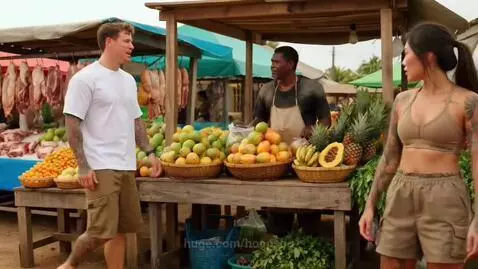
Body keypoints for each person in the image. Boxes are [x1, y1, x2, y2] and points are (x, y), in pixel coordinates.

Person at [359, 22, 478, 268]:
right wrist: (370, 205)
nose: (403, 61)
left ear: (428, 56)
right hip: (401, 193)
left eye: (407, 53)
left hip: (445, 198)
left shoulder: (468, 102)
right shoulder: (403, 101)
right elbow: (390, 158)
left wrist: (477, 220)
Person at [58, 22, 160, 269]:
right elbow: (72, 124)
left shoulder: (127, 80)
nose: (132, 46)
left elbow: (136, 120)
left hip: (126, 164)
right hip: (100, 165)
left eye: (131, 41)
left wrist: (149, 152)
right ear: (109, 42)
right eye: (126, 41)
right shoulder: (85, 79)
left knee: (121, 230)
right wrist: (83, 166)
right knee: (101, 231)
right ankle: (69, 265)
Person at [251, 46, 331, 236]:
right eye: (272, 62)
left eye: (276, 62)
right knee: (278, 213)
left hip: (305, 163)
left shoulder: (311, 88)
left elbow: (326, 121)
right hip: (275, 161)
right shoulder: (266, 91)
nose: (272, 66)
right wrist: (243, 131)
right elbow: (258, 121)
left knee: (308, 213)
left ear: (291, 64)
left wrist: (313, 129)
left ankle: (309, 240)